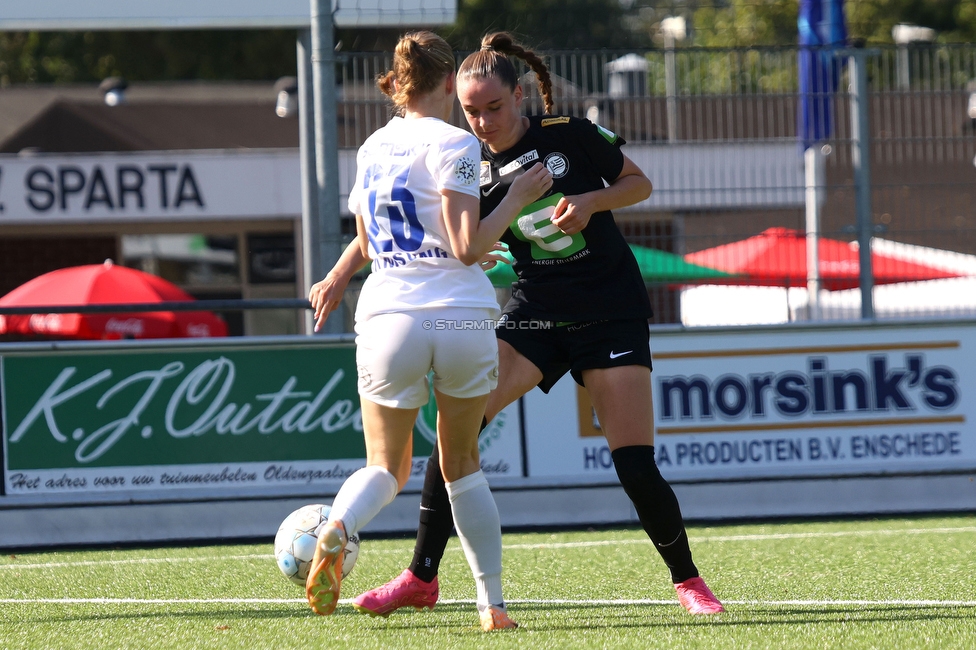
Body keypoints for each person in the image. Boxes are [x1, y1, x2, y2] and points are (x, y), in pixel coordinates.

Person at [310, 31, 724, 619]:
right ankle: (421, 577)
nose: (482, 122)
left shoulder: (570, 136)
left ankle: (689, 582)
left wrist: (590, 201)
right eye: (472, 111)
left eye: (494, 108)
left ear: (522, 95)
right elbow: (412, 232)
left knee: (633, 460)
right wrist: (340, 273)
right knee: (458, 438)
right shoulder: (463, 161)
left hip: (609, 310)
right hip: (534, 310)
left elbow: (639, 183)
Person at [302, 30, 553, 632]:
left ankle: (338, 527)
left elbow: (372, 236)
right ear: (449, 83)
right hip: (462, 319)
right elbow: (467, 247)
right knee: (460, 464)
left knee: (386, 468)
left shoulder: (370, 148)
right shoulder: (456, 143)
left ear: (395, 83)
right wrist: (517, 194)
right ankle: (492, 606)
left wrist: (337, 276)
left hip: (389, 315)